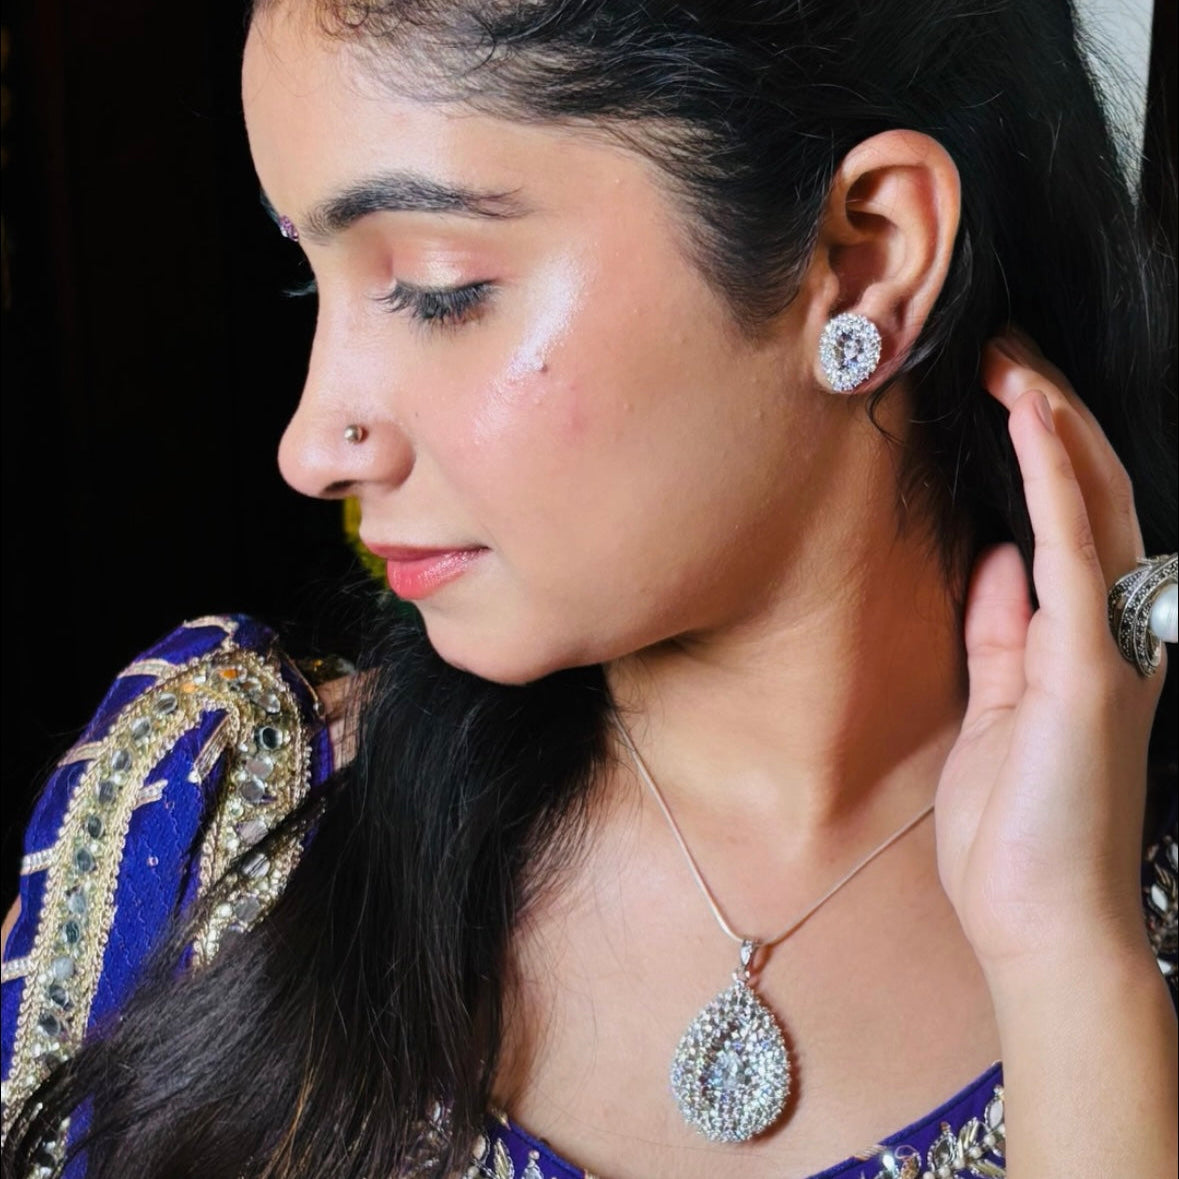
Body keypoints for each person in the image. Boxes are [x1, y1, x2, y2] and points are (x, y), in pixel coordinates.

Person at [2, 1, 1177, 1176]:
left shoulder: (1126, 935)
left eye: (435, 287)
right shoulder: (215, 825)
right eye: (314, 283)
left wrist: (1073, 972)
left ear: (863, 258)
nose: (313, 446)